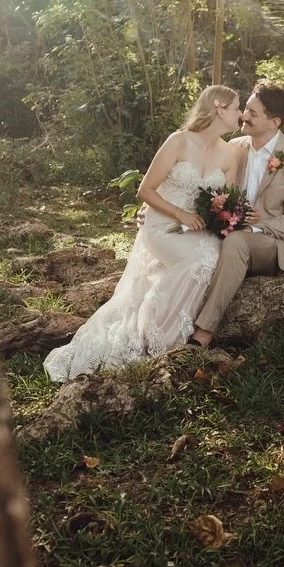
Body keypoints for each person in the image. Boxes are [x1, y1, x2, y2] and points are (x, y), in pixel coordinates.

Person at [44, 85, 245, 381]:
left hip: (199, 229)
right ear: (219, 107)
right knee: (194, 261)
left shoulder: (231, 154)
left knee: (209, 257)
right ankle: (153, 336)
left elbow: (229, 202)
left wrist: (223, 218)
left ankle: (167, 336)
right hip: (162, 223)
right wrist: (180, 214)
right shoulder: (178, 141)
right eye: (237, 107)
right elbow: (145, 190)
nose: (240, 113)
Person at [189, 81, 284, 348]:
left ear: (275, 123)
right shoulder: (235, 146)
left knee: (236, 242)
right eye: (245, 108)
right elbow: (198, 184)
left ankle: (203, 332)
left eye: (253, 113)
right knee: (190, 239)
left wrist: (257, 227)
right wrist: (155, 211)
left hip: (273, 243)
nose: (243, 115)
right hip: (228, 230)